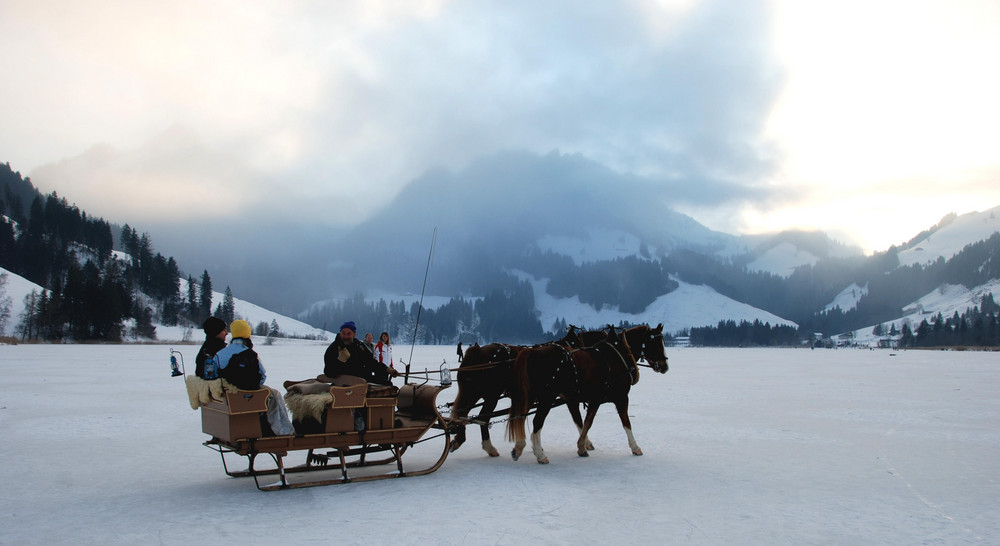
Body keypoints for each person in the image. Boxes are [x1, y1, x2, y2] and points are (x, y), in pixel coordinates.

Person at [216, 319, 294, 436]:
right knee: (275, 394)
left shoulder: (220, 354)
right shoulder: (251, 354)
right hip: (249, 393)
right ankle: (283, 430)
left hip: (226, 394)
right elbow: (262, 375)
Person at [323, 321, 398, 385]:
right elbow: (328, 372)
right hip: (342, 383)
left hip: (361, 379)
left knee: (387, 383)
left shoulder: (359, 346)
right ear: (340, 333)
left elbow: (371, 362)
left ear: (354, 334)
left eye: (349, 334)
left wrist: (387, 369)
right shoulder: (333, 348)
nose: (345, 336)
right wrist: (340, 361)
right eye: (343, 333)